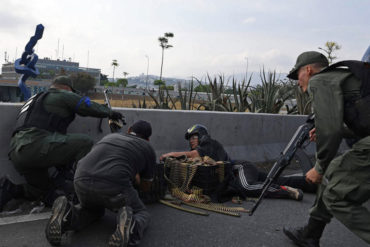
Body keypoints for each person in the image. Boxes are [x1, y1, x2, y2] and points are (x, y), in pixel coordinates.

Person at [283, 51, 370, 246]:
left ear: (308, 70)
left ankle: (310, 235)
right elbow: (357, 124)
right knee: (334, 172)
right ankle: (310, 234)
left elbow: (331, 131)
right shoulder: (344, 76)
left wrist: (319, 167)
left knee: (336, 196)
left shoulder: (320, 80)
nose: (298, 82)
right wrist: (324, 130)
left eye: (298, 76)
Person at [6, 75, 124, 209]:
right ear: (67, 88)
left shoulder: (35, 98)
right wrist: (110, 112)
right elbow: (86, 105)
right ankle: (81, 186)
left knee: (42, 190)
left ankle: (9, 189)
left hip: (16, 152)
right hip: (36, 144)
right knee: (84, 143)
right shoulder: (62, 94)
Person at [45, 120, 156, 247]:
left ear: (129, 130)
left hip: (81, 180)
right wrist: (136, 179)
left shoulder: (110, 136)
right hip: (113, 186)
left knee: (94, 211)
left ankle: (68, 215)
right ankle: (132, 228)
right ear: (147, 139)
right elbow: (145, 187)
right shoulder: (147, 148)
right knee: (142, 213)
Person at [160, 124, 315, 201]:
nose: (192, 141)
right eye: (190, 139)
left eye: (194, 137)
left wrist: (172, 154)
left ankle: (285, 191)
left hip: (239, 168)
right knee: (274, 178)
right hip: (238, 172)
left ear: (201, 136)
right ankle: (309, 184)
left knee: (247, 187)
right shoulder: (203, 149)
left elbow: (193, 154)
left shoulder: (208, 143)